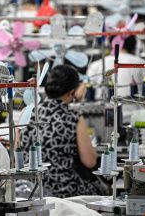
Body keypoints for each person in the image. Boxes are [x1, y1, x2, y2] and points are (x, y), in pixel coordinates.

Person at [19, 65, 101, 198]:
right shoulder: (73, 118)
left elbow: (18, 152)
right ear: (71, 92)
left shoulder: (26, 112)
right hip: (62, 189)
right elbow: (90, 161)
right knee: (101, 190)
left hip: (30, 188)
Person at [87, 35, 145, 99]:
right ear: (134, 46)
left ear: (111, 44)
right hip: (137, 108)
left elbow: (80, 94)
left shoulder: (97, 64)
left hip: (106, 107)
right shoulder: (143, 64)